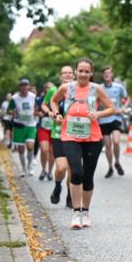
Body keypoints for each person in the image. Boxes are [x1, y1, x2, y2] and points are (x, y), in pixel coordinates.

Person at [49, 58, 117, 229]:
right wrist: (57, 114)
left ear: (91, 73)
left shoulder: (97, 89)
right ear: (76, 71)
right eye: (81, 71)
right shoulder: (66, 88)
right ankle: (76, 212)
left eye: (87, 71)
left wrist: (98, 115)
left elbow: (111, 108)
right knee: (76, 172)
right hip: (70, 136)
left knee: (88, 176)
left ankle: (85, 212)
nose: (84, 74)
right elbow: (53, 101)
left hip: (92, 138)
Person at [43, 65, 76, 208]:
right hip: (57, 134)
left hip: (75, 134)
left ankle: (70, 194)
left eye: (70, 73)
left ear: (73, 75)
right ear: (60, 76)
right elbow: (45, 105)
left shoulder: (78, 90)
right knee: (62, 168)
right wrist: (51, 113)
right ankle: (57, 186)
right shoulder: (53, 90)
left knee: (72, 168)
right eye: (64, 73)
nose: (67, 75)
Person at [98, 66, 128, 178]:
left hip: (116, 118)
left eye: (108, 73)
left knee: (116, 141)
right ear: (102, 75)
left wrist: (123, 108)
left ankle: (117, 162)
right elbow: (95, 101)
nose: (107, 75)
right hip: (104, 119)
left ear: (112, 75)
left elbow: (127, 98)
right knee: (107, 145)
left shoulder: (119, 87)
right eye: (105, 73)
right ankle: (110, 166)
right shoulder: (99, 88)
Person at [6, 78, 38, 176]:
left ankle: (30, 166)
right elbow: (9, 110)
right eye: (22, 85)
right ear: (20, 87)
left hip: (31, 125)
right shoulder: (15, 98)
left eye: (26, 85)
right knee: (21, 149)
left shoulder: (33, 96)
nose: (24, 87)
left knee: (30, 146)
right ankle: (23, 169)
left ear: (29, 86)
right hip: (19, 125)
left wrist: (36, 111)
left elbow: (37, 106)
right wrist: (13, 112)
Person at [35, 81, 56, 180]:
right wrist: (38, 113)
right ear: (45, 90)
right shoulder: (40, 100)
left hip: (54, 128)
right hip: (43, 127)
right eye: (48, 88)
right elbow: (34, 111)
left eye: (52, 88)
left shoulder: (57, 99)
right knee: (44, 149)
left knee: (52, 152)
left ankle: (50, 172)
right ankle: (43, 169)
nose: (50, 90)